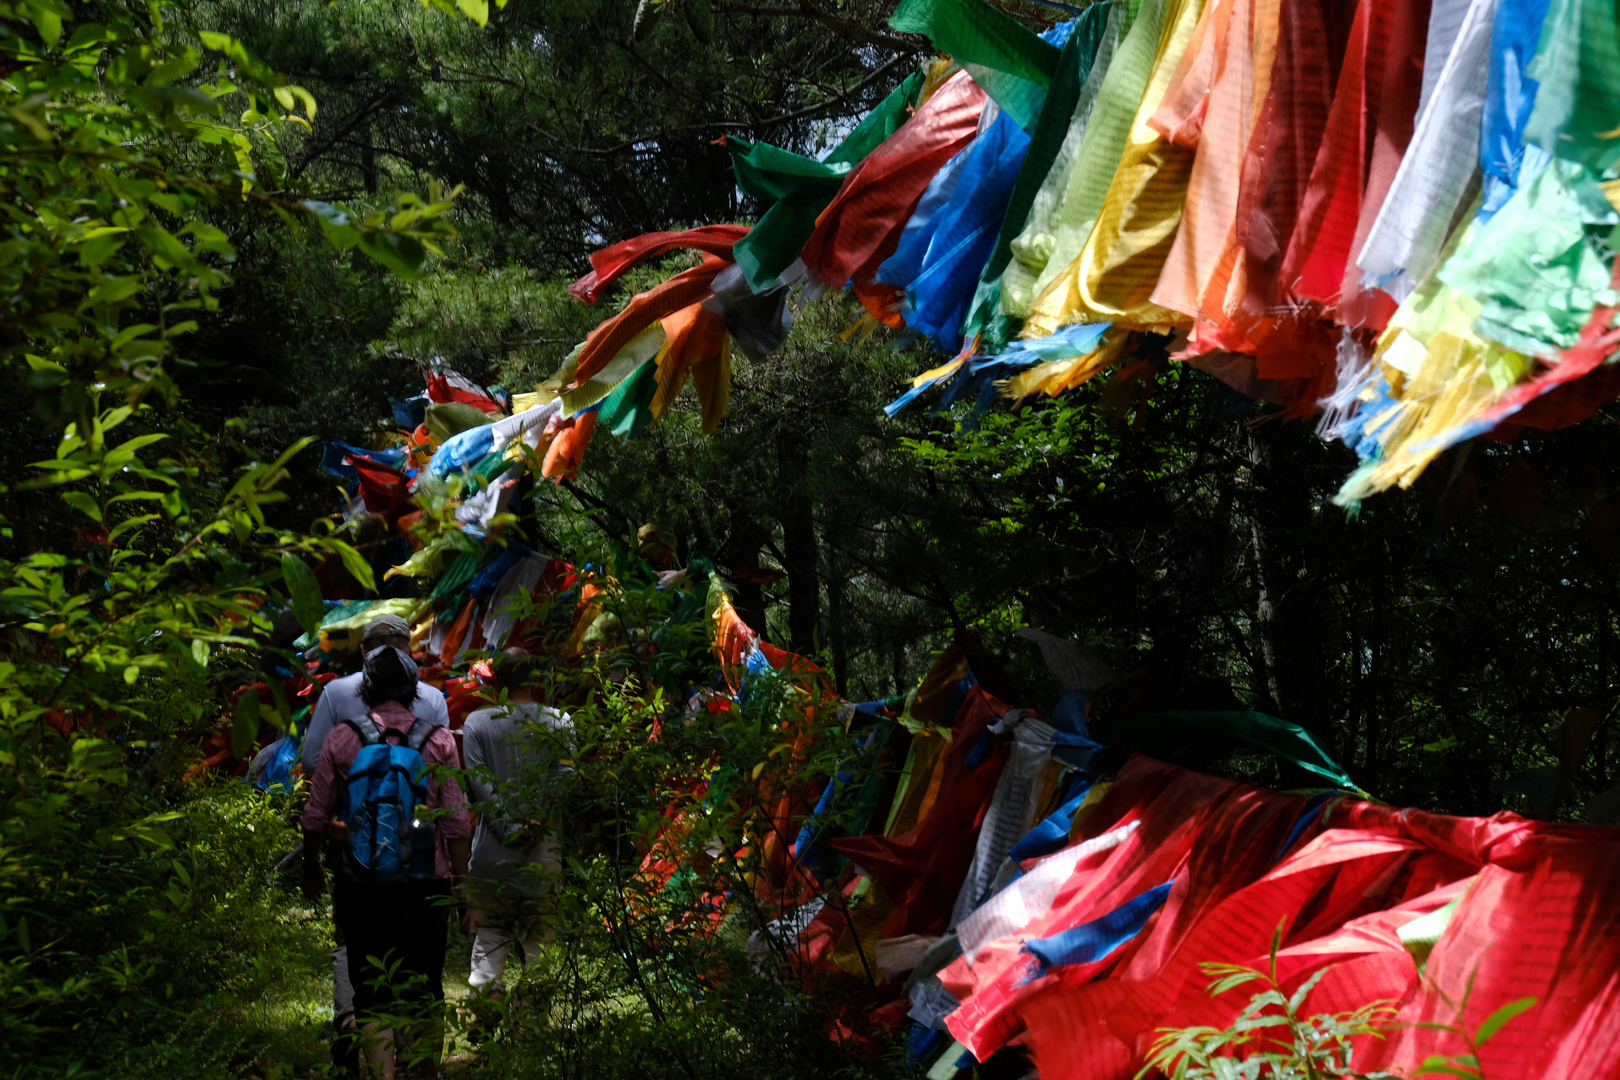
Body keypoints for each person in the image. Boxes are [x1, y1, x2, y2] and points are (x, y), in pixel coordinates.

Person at [301, 645, 471, 1079]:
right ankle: (424, 1073)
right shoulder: (438, 740)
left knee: (371, 993)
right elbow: (455, 822)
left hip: (359, 885)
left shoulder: (342, 738)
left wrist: (312, 866)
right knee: (425, 989)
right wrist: (462, 884)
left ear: (366, 688)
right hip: (424, 884)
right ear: (415, 689)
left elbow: (317, 814)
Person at [461, 648, 572, 1002]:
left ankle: (487, 999)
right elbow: (566, 777)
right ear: (534, 677)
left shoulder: (476, 723)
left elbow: (480, 784)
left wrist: (510, 827)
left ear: (496, 680)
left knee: (491, 931)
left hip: (492, 853)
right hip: (542, 854)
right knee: (539, 938)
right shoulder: (559, 721)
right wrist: (536, 822)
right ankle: (532, 1029)